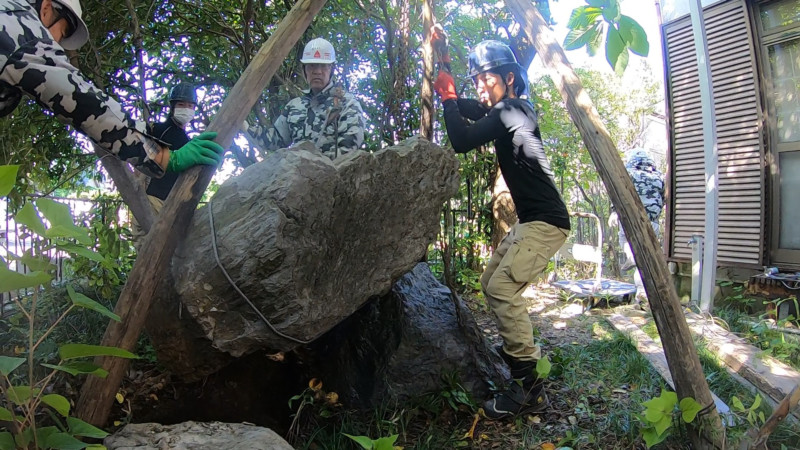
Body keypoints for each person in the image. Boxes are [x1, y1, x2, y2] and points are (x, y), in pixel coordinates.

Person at [432, 39, 571, 419]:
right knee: (490, 279)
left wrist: (446, 95)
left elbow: (461, 139)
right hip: (534, 221)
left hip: (547, 222)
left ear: (509, 78)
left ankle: (530, 388)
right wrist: (444, 68)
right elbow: (465, 109)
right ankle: (516, 354)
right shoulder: (506, 109)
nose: (479, 86)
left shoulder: (514, 109)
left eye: (485, 78)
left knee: (501, 287)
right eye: (475, 79)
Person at [0, 0, 223, 179]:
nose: (57, 43)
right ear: (46, 8)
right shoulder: (21, 27)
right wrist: (163, 157)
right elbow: (82, 101)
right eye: (63, 32)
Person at [250, 38, 366, 159]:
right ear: (304, 70)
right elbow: (275, 141)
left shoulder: (347, 104)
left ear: (331, 69)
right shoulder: (294, 106)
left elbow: (348, 149)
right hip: (298, 174)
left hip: (334, 175)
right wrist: (245, 127)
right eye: (312, 66)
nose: (317, 72)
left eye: (323, 66)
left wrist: (316, 167)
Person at [130, 82, 198, 245]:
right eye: (182, 104)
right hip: (152, 201)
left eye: (190, 105)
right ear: (172, 106)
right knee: (149, 248)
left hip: (172, 205)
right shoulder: (157, 131)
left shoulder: (187, 141)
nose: (186, 109)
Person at [617, 148, 665, 302]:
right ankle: (642, 292)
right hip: (652, 223)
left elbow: (619, 193)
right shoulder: (658, 176)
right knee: (645, 261)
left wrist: (614, 211)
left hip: (631, 219)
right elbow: (663, 198)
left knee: (624, 240)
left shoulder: (628, 173)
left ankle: (631, 256)